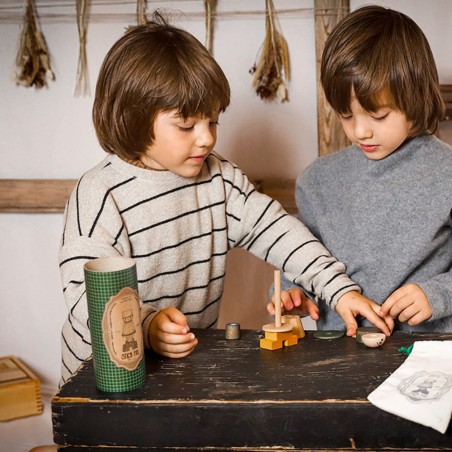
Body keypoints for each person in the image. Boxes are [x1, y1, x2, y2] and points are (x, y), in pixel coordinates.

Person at [58, 12, 392, 385]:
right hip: (98, 378)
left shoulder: (219, 179)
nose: (206, 138)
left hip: (180, 367)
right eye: (186, 126)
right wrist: (148, 325)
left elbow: (278, 231)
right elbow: (85, 298)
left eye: (213, 121)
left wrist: (339, 290)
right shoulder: (100, 196)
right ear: (133, 118)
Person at [274, 5, 452, 334]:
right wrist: (294, 294)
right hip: (338, 356)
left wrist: (438, 294)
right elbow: (301, 260)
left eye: (378, 116)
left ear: (415, 98)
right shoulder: (317, 181)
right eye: (345, 115)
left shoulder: (447, 173)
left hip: (425, 360)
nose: (360, 131)